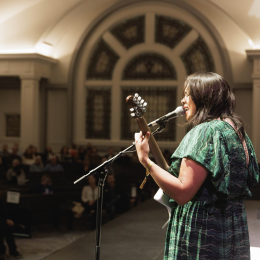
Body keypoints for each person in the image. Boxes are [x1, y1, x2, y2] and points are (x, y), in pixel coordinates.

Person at [134, 71, 259, 260]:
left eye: (187, 94)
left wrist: (145, 160)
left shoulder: (205, 132)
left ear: (203, 96)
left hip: (203, 232)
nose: (183, 100)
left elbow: (183, 193)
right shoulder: (236, 131)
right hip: (231, 227)